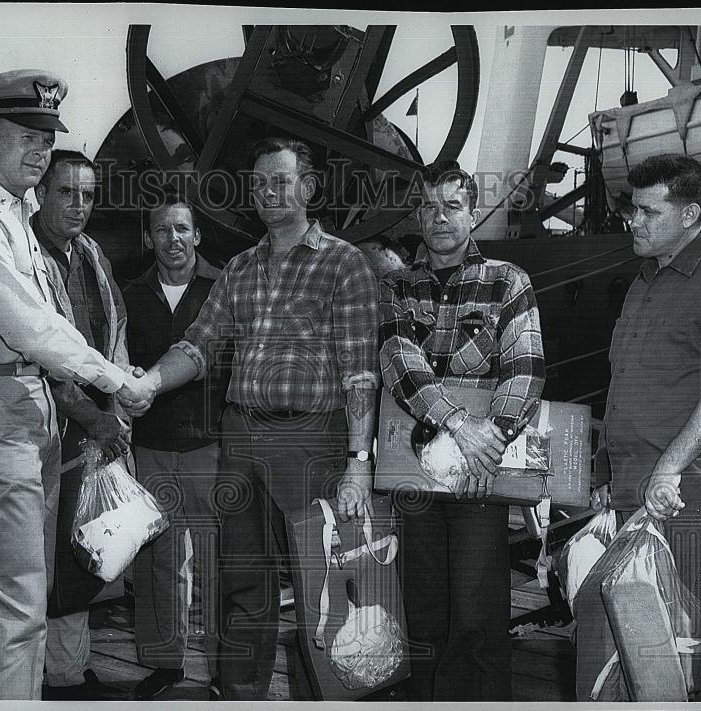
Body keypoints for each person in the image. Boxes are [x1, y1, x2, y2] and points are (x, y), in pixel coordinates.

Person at [121, 137, 380, 700]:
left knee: (325, 580)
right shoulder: (239, 268)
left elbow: (361, 372)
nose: (267, 192)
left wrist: (359, 463)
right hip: (240, 438)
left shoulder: (344, 263)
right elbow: (197, 346)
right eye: (259, 183)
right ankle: (240, 696)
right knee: (242, 583)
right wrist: (147, 383)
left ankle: (333, 696)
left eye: (280, 181)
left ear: (308, 188)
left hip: (315, 439)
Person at [0, 70, 149, 700]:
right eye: (25, 134)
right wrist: (116, 378)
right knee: (10, 617)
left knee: (28, 611)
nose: (39, 149)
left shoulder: (13, 215)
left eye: (47, 138)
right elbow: (30, 325)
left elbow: (50, 318)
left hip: (29, 413)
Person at [593, 153, 701, 701]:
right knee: (636, 638)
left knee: (688, 638)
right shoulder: (643, 280)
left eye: (647, 211)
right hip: (634, 485)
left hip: (688, 489)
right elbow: (623, 381)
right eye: (632, 210)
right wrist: (604, 471)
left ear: (690, 213)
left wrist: (667, 469)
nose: (633, 222)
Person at [378, 159, 545, 701]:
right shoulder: (397, 287)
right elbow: (399, 362)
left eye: (452, 205)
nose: (439, 217)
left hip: (482, 476)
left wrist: (485, 448)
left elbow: (524, 369)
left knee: (478, 615)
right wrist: (459, 427)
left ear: (473, 213)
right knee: (423, 610)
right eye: (428, 206)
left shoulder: (507, 281)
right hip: (416, 475)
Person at [30, 149, 131, 700]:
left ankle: (69, 673)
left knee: (80, 549)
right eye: (67, 192)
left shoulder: (91, 254)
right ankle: (43, 678)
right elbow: (45, 354)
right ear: (40, 193)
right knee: (39, 557)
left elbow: (113, 337)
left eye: (88, 194)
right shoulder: (25, 253)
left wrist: (111, 415)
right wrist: (97, 418)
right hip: (49, 422)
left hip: (93, 427)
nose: (79, 205)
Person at [124, 189, 228, 700]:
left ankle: (218, 665)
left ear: (198, 235)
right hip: (151, 445)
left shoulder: (221, 289)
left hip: (210, 444)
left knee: (214, 557)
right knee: (159, 557)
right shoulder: (130, 293)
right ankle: (164, 663)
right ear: (149, 238)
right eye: (162, 230)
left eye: (182, 228)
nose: (173, 239)